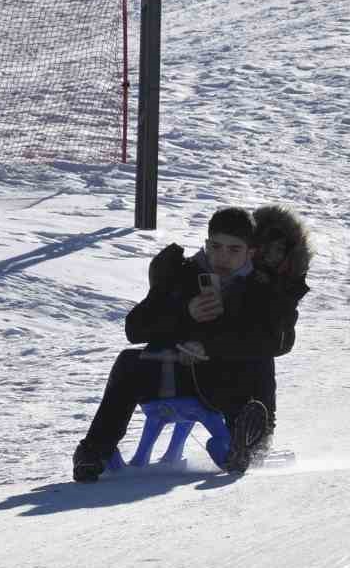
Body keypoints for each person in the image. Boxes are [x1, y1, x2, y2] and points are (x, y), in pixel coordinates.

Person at [70, 206, 309, 482]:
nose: (223, 257)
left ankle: (249, 445)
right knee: (128, 361)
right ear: (206, 245)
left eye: (234, 250)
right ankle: (93, 452)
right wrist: (185, 314)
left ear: (250, 253)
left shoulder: (261, 289)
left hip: (227, 383)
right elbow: (135, 327)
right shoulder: (182, 275)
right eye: (216, 247)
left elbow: (278, 341)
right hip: (177, 374)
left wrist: (210, 348)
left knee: (260, 358)